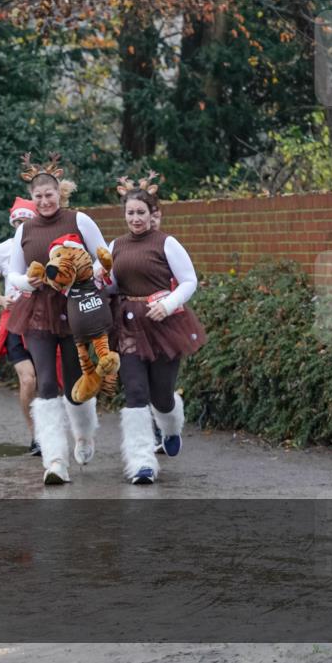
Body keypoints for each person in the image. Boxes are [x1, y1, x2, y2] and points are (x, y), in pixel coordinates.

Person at [6, 153, 108, 485]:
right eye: (38, 196)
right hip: (38, 311)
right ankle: (55, 460)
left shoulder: (79, 220)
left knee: (76, 380)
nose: (44, 201)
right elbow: (14, 274)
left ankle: (84, 435)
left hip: (75, 307)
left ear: (59, 193)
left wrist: (85, 275)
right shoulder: (25, 230)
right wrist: (28, 282)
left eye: (49, 195)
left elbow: (103, 256)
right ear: (32, 198)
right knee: (46, 383)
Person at [101, 173, 207, 484]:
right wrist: (92, 283)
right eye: (130, 213)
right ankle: (141, 463)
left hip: (163, 324)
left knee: (161, 397)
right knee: (135, 393)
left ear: (152, 214)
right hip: (128, 326)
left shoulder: (166, 243)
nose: (135, 218)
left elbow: (189, 280)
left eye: (141, 212)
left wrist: (169, 304)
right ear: (124, 215)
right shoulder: (115, 246)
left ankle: (171, 427)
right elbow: (108, 282)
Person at [0, 197, 39, 453]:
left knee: (48, 381)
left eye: (26, 221)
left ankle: (52, 430)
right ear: (12, 223)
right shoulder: (2, 250)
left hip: (43, 320)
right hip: (14, 321)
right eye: (17, 221)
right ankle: (36, 435)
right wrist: (1, 300)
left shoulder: (44, 247)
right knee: (28, 380)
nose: (21, 226)